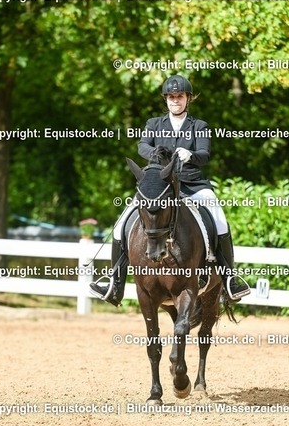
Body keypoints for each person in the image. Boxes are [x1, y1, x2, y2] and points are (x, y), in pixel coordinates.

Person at [89, 74, 251, 306]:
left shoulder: (199, 126)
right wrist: (157, 154)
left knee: (219, 220)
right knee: (120, 225)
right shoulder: (154, 124)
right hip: (159, 187)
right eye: (171, 96)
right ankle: (115, 284)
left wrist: (190, 155)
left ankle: (229, 280)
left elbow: (204, 154)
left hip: (192, 185)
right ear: (166, 99)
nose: (175, 100)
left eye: (180, 96)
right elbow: (142, 146)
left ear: (188, 98)